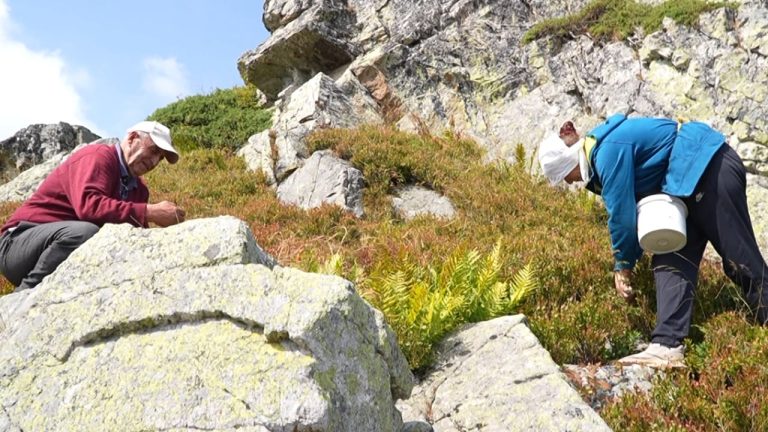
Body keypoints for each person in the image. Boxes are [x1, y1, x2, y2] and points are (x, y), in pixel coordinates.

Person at [538, 113, 768, 368]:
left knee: (741, 262)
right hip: (685, 185)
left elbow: (622, 215)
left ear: (567, 164)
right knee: (670, 257)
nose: (570, 182)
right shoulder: (604, 147)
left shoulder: (607, 152)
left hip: (710, 168)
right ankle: (667, 345)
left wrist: (622, 266)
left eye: (565, 177)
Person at [0, 121, 186, 291]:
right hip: (16, 242)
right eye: (153, 151)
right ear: (132, 138)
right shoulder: (99, 157)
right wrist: (150, 212)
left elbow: (134, 236)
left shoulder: (139, 190)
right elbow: (89, 207)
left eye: (160, 158)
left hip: (56, 248)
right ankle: (24, 295)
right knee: (84, 232)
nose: (154, 162)